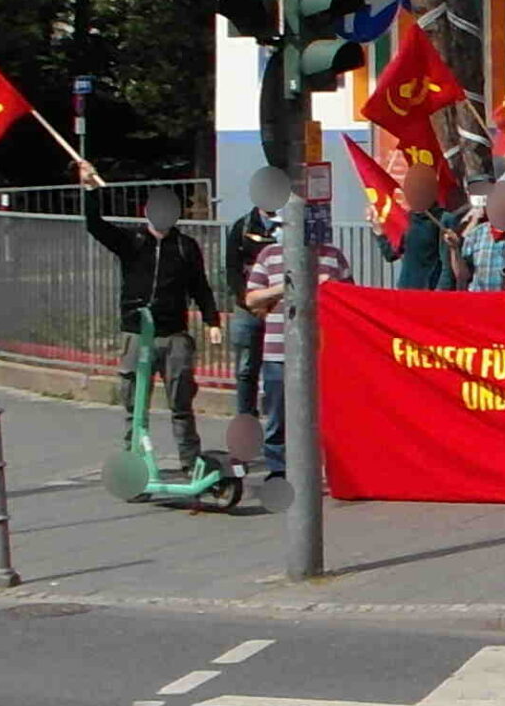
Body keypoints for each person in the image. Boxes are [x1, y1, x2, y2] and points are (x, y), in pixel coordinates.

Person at [82, 163, 219, 472]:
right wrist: (90, 189)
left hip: (173, 335)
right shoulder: (133, 242)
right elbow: (95, 225)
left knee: (181, 404)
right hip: (137, 333)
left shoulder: (186, 247)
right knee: (136, 407)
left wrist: (212, 321)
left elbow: (200, 286)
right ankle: (134, 461)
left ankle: (190, 461)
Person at [241, 217, 352, 477]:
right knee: (278, 413)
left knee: (326, 412)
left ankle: (328, 467)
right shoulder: (269, 255)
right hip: (278, 350)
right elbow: (252, 298)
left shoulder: (333, 256)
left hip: (322, 349)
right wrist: (286, 288)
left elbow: (350, 297)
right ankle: (278, 469)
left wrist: (330, 287)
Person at [222, 173, 282, 419]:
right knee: (246, 368)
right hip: (249, 308)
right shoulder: (242, 226)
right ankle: (246, 417)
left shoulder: (288, 226)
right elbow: (232, 268)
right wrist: (247, 299)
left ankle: (276, 416)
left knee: (277, 368)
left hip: (279, 306)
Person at [382, 161, 461, 290]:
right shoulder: (407, 218)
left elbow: (447, 266)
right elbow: (391, 254)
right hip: (405, 291)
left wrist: (440, 295)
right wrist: (378, 231)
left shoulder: (443, 219)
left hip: (430, 292)